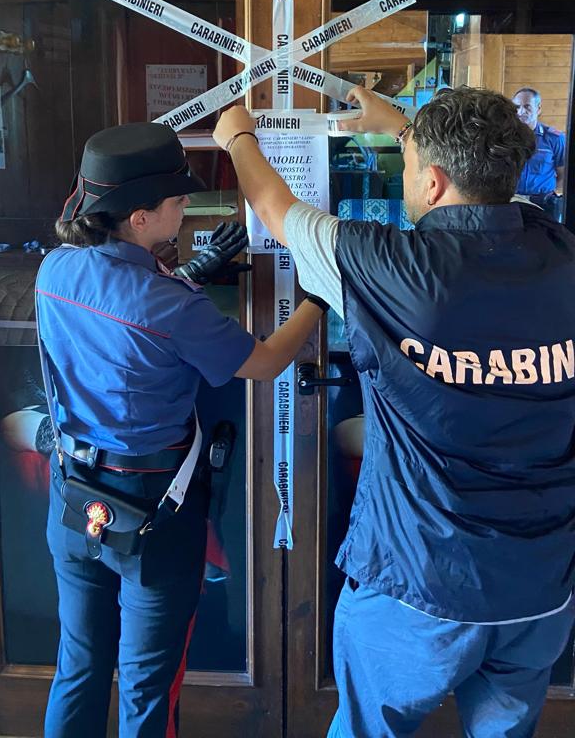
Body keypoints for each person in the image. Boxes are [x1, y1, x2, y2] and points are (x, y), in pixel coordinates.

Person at [213, 87, 575, 738]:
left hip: (419, 578)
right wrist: (406, 130)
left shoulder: (386, 264)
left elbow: (272, 207)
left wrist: (237, 136)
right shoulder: (562, 253)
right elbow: (479, 180)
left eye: (410, 168)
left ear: (432, 182)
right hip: (540, 585)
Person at [36, 121, 325, 738]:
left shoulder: (55, 270)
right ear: (140, 217)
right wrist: (317, 299)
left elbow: (126, 312)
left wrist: (194, 269)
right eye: (177, 200)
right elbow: (265, 362)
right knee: (148, 683)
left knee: (79, 666)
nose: (186, 207)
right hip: (153, 512)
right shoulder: (171, 304)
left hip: (75, 495)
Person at [512, 86, 565, 220]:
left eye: (527, 106)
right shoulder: (504, 138)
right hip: (512, 203)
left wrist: (550, 195)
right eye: (517, 107)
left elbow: (563, 174)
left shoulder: (555, 138)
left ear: (538, 108)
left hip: (543, 205)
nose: (521, 112)